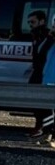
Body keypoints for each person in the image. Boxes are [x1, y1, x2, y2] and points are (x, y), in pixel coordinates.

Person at [27, 10, 51, 139]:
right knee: (35, 100)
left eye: (33, 22)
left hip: (45, 73)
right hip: (37, 72)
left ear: (42, 21)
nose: (31, 24)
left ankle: (45, 129)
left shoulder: (49, 37)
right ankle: (40, 126)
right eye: (29, 22)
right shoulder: (36, 36)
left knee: (45, 103)